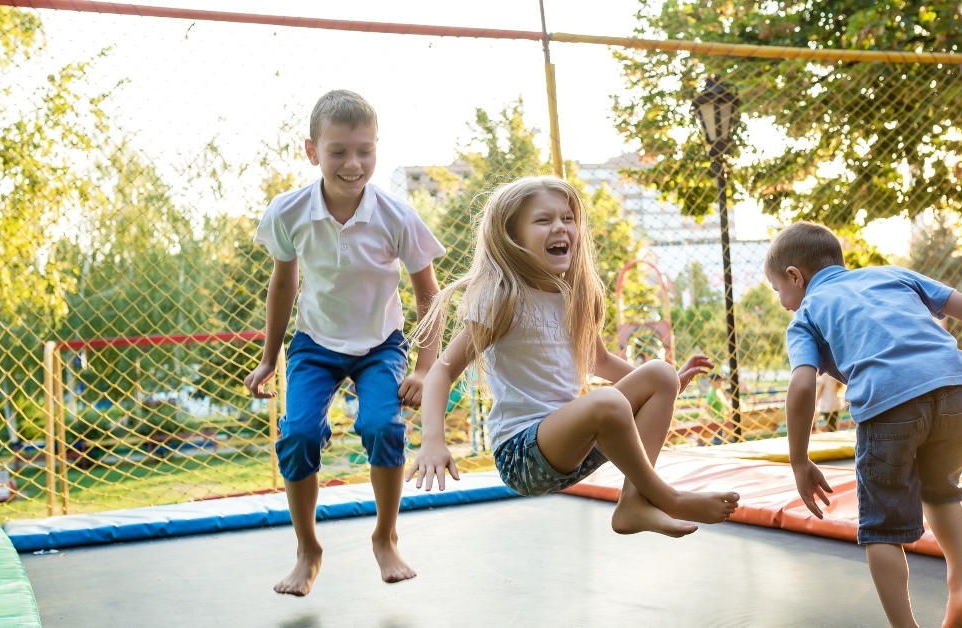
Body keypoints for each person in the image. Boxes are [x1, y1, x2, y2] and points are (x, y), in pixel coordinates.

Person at [408, 176, 740, 537]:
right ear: (512, 236)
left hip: (577, 446)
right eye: (543, 220)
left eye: (567, 218)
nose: (560, 227)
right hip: (523, 454)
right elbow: (442, 371)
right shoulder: (501, 296)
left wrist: (670, 384)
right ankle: (667, 497)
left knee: (659, 373)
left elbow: (601, 362)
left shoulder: (577, 296)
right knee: (607, 402)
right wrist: (433, 441)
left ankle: (633, 504)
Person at [765, 222, 962, 628]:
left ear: (795, 276)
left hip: (889, 403)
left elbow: (800, 387)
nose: (783, 302)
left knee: (881, 528)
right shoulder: (890, 274)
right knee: (942, 491)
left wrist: (799, 460)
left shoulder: (807, 315)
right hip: (956, 387)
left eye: (778, 290)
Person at [244, 90, 445, 596]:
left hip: (382, 343)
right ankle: (308, 550)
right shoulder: (289, 212)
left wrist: (424, 368)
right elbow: (283, 284)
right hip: (316, 343)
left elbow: (430, 297)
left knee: (382, 425)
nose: (354, 164)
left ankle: (386, 537)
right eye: (339, 151)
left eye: (365, 150)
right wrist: (270, 358)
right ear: (312, 151)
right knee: (298, 436)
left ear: (377, 149)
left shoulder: (397, 216)